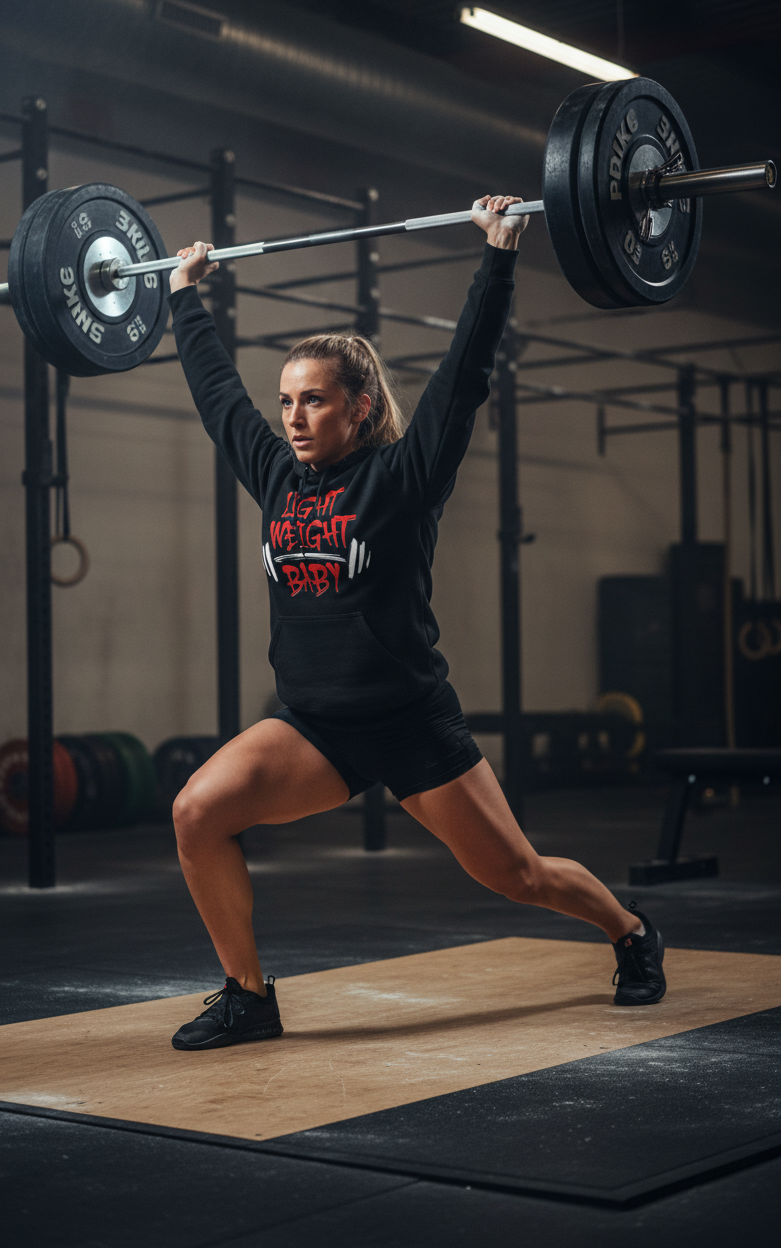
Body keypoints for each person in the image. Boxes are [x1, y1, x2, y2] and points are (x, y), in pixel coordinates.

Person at [167, 195, 666, 1052]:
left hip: (407, 724)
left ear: (359, 407)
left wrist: (499, 255)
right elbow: (218, 396)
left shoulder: (403, 477)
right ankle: (248, 996)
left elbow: (464, 375)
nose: (291, 418)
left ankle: (629, 931)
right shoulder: (276, 476)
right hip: (316, 726)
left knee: (518, 875)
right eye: (286, 401)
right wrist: (184, 295)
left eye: (314, 402)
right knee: (196, 812)